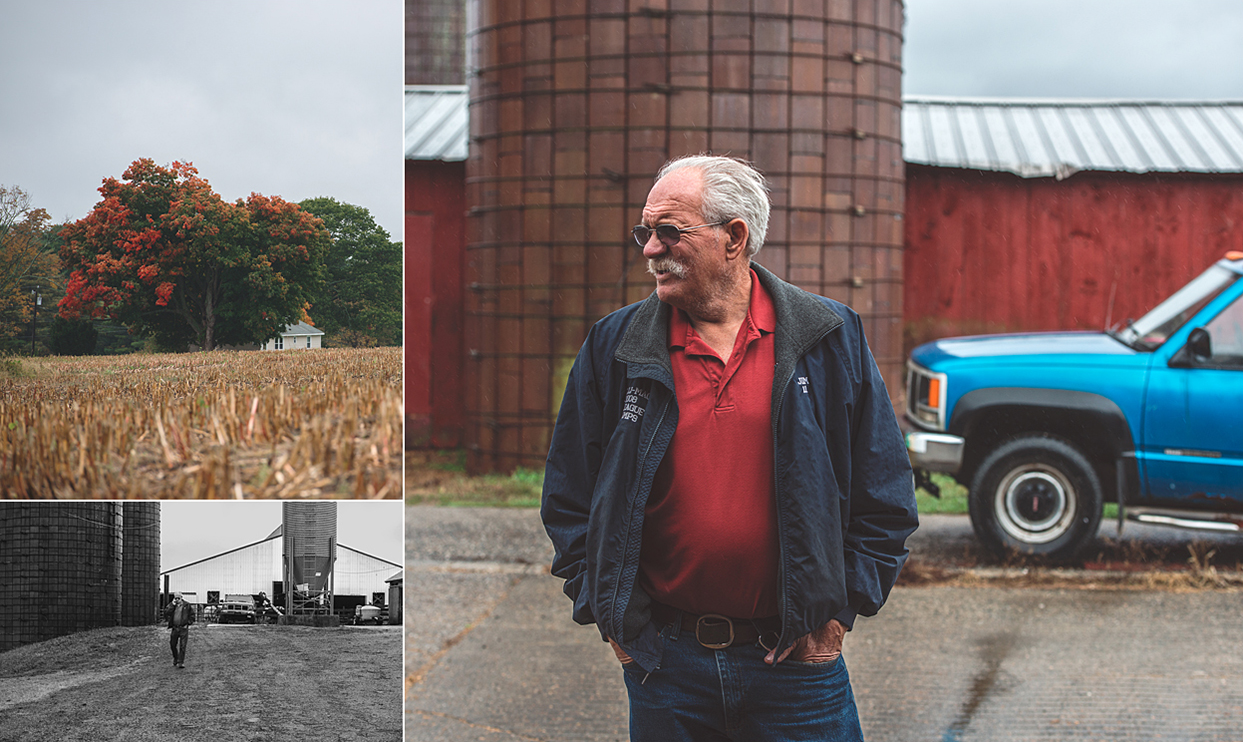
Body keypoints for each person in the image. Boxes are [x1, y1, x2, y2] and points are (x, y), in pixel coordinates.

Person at [541, 154, 919, 741]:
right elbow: (570, 499)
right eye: (646, 232)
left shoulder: (828, 336)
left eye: (670, 232)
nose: (649, 250)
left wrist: (837, 617)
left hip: (798, 667)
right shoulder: (615, 345)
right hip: (665, 665)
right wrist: (614, 623)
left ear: (734, 238)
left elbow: (886, 495)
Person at [164, 592, 196, 669]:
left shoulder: (187, 605)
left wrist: (188, 623)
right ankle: (176, 657)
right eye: (176, 598)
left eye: (179, 598)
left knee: (182, 646)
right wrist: (172, 605)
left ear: (182, 598)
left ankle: (181, 662)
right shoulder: (172, 606)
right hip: (175, 628)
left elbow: (192, 615)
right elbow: (167, 613)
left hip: (183, 628)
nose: (177, 599)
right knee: (172, 644)